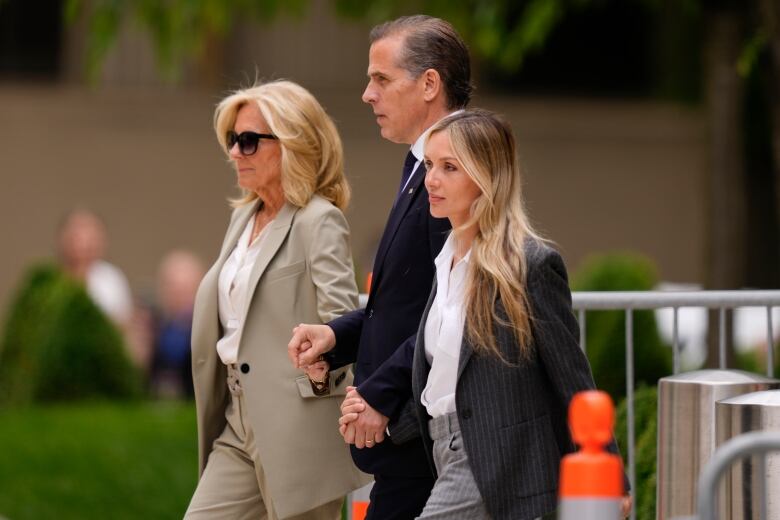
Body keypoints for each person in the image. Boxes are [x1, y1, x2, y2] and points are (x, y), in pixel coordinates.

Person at [342, 110, 632, 519]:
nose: (432, 180)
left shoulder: (529, 265)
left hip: (497, 462)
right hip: (444, 452)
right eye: (429, 165)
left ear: (485, 176)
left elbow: (572, 377)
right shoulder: (446, 262)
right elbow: (443, 382)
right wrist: (383, 418)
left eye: (449, 167)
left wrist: (613, 481)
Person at [288, 15, 471, 519]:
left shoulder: (454, 172)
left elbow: (453, 311)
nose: (368, 94)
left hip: (429, 437)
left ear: (429, 83)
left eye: (381, 79)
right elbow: (408, 299)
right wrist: (337, 335)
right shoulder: (422, 164)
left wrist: (379, 393)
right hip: (412, 439)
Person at [186, 80, 370, 520]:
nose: (235, 152)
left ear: (293, 143)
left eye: (248, 141)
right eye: (233, 140)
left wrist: (314, 388)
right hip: (236, 420)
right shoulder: (242, 218)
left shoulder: (318, 220)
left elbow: (342, 323)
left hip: (298, 431)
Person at [58, 208, 133, 328]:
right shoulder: (51, 281)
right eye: (77, 236)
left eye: (91, 237)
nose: (83, 244)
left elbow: (124, 324)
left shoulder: (112, 279)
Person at [149, 250, 204, 399]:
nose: (179, 296)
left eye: (186, 289)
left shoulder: (210, 335)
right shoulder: (151, 329)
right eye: (173, 288)